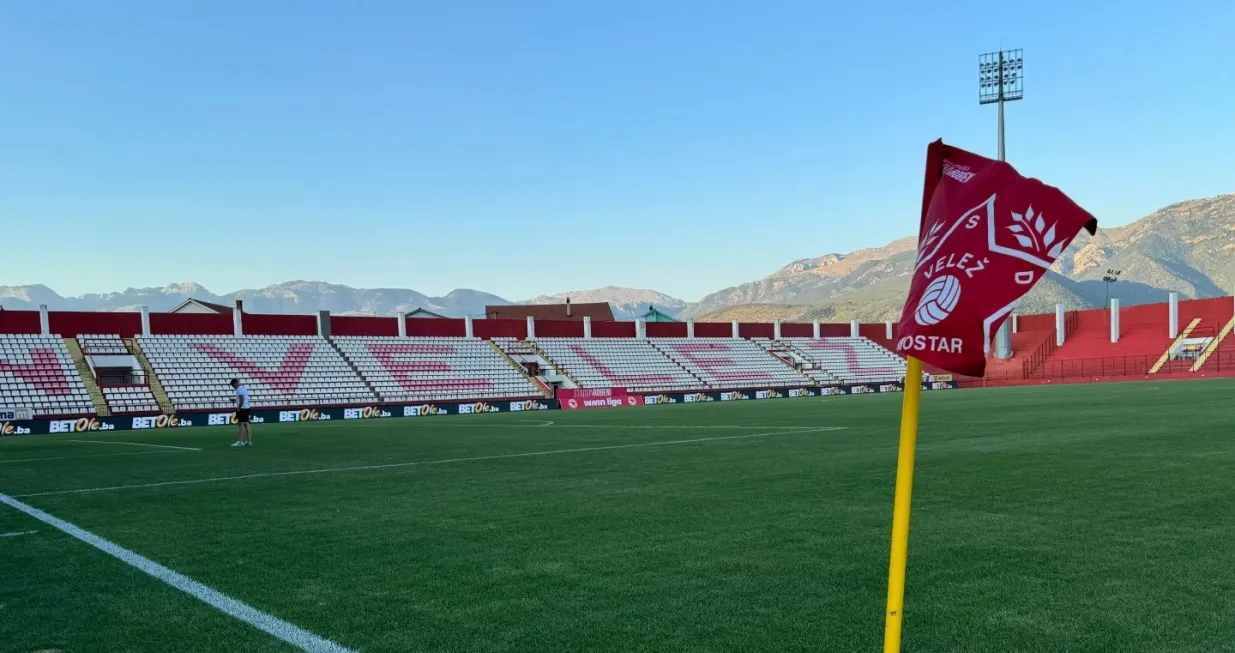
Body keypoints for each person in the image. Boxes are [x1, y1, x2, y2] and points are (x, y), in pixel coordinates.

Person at [229, 378, 252, 447]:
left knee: (241, 425)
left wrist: (239, 406)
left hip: (242, 408)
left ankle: (241, 441)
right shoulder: (244, 389)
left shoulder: (239, 389)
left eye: (233, 386)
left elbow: (242, 398)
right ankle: (248, 441)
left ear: (235, 383)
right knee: (246, 424)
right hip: (246, 407)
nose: (234, 387)